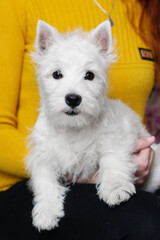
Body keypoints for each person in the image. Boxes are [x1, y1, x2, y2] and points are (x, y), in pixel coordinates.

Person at [0, 0, 160, 239]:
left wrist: (135, 159)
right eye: (57, 75)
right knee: (146, 223)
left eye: (88, 75)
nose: (73, 93)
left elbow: (118, 139)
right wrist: (86, 175)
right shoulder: (17, 5)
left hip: (135, 165)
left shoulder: (143, 8)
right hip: (18, 185)